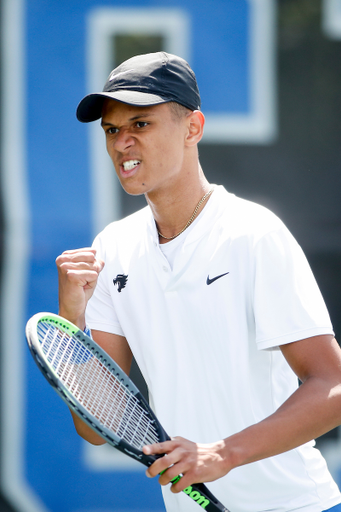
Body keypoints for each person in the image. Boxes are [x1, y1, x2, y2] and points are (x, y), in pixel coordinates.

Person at [56, 52, 341, 512]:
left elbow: (333, 386)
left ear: (193, 128)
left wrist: (223, 453)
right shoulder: (112, 249)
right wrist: (73, 317)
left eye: (141, 124)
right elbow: (96, 428)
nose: (122, 142)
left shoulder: (254, 234)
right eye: (112, 129)